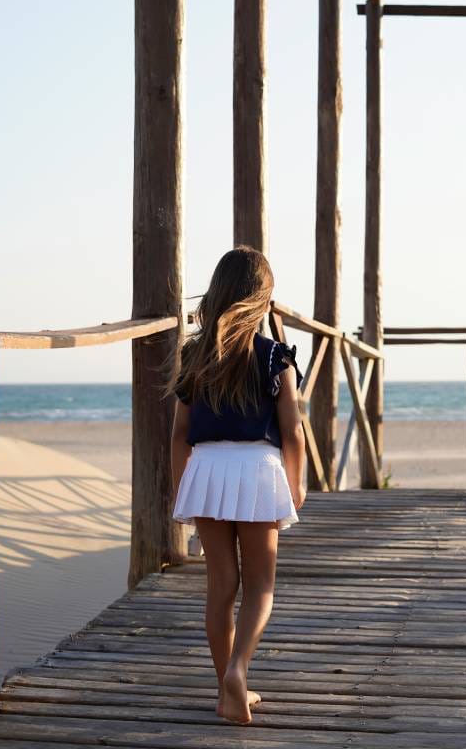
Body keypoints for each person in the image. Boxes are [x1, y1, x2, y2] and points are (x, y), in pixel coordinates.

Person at [163, 246, 306, 725]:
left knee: (221, 586)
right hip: (258, 471)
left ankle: (225, 686)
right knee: (261, 586)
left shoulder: (193, 357)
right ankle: (239, 671)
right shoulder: (274, 358)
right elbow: (293, 432)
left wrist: (186, 486)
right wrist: (296, 483)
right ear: (262, 301)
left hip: (207, 470)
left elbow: (180, 436)